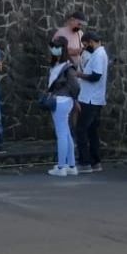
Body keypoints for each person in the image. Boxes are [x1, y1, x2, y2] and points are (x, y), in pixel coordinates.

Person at [45, 36, 81, 176]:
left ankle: (61, 167)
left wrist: (75, 99)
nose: (54, 49)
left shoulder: (67, 66)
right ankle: (70, 165)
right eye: (53, 46)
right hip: (63, 101)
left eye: (56, 46)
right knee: (66, 133)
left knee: (61, 134)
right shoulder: (59, 64)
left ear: (62, 48)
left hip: (61, 101)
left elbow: (75, 86)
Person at [75, 31, 109, 173]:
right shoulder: (97, 54)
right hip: (93, 98)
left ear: (91, 42)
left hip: (90, 99)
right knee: (92, 131)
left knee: (81, 130)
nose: (84, 47)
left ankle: (85, 162)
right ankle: (95, 162)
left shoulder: (99, 55)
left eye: (85, 44)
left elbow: (96, 76)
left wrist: (80, 75)